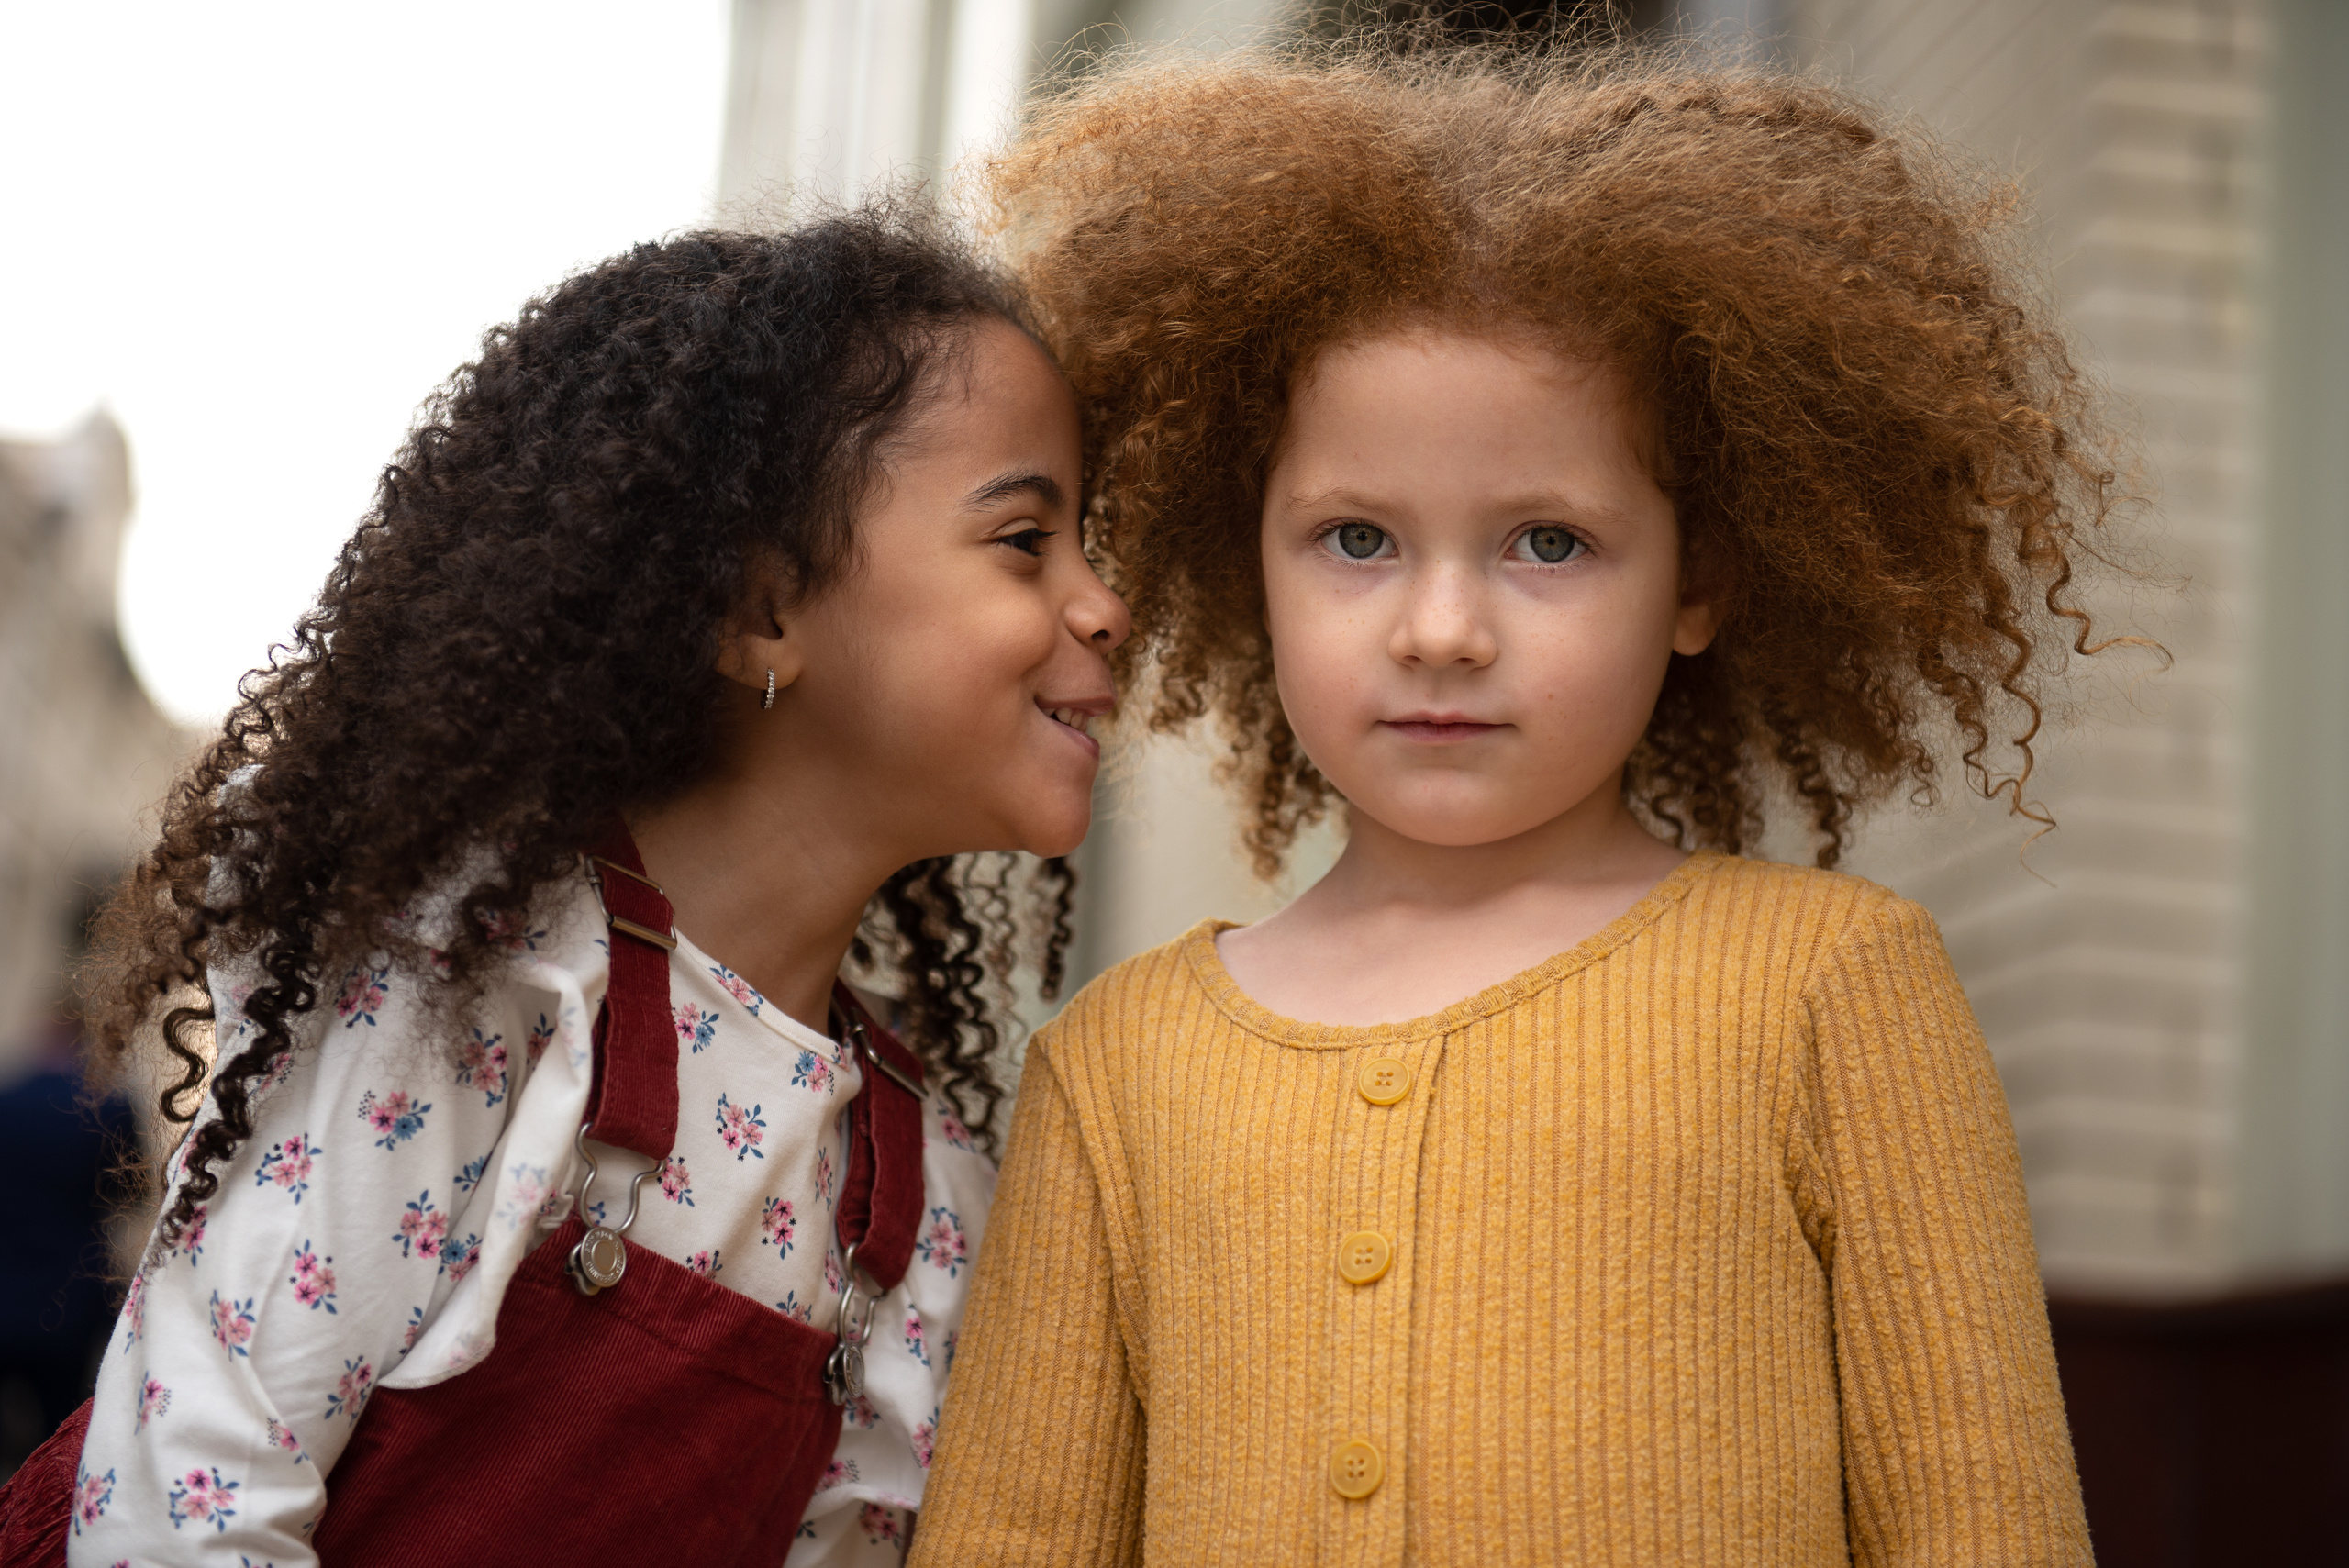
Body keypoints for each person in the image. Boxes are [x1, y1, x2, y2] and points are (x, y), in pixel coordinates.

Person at [911, 39, 2131, 1566]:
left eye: (1547, 543)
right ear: (1246, 559)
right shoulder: (1115, 1065)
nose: (1441, 630)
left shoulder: (1831, 989)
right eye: (1356, 538)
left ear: (1698, 581)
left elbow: (1986, 1521)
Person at [23, 202, 1127, 1566]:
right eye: (1025, 538)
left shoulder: (914, 1198)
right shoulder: (474, 993)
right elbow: (188, 1504)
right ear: (763, 609)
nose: (1106, 603)